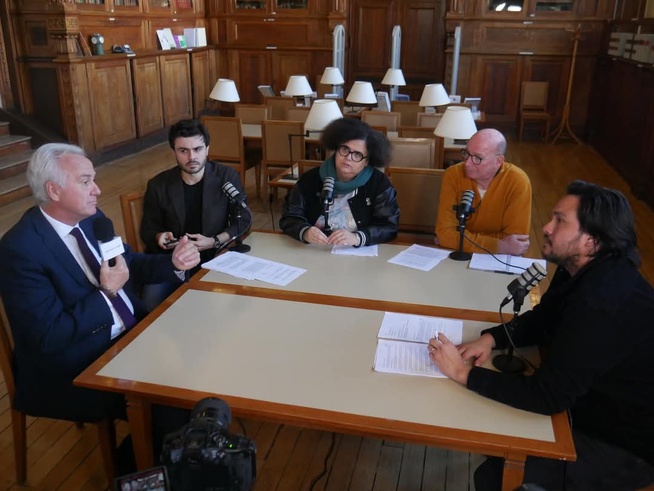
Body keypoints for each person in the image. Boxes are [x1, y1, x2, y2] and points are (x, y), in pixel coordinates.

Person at [428, 180, 654, 490]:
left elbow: (548, 396)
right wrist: (492, 338)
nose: (546, 227)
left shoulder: (602, 303)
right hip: (586, 403)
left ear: (592, 241)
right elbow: (544, 318)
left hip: (622, 443)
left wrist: (461, 372)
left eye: (560, 221)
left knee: (494, 477)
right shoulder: (581, 268)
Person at [0, 143, 200, 456]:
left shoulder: (92, 219)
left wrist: (173, 263)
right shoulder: (20, 250)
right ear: (53, 190)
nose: (97, 189)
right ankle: (139, 469)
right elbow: (48, 337)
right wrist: (106, 293)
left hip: (128, 336)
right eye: (85, 181)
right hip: (76, 364)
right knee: (173, 405)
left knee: (201, 358)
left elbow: (126, 263)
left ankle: (165, 452)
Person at [140, 119, 251, 309]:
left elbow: (244, 219)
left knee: (237, 305)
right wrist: (160, 236)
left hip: (214, 256)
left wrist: (214, 240)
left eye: (198, 149)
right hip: (172, 260)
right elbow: (148, 228)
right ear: (173, 152)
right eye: (183, 151)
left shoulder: (226, 177)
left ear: (207, 148)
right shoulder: (158, 185)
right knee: (148, 306)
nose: (192, 157)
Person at [280, 117, 399, 247]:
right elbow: (289, 216)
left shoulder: (379, 183)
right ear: (336, 150)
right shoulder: (310, 178)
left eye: (357, 155)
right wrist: (305, 231)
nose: (348, 158)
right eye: (345, 149)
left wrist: (358, 238)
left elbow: (389, 226)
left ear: (366, 162)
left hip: (356, 254)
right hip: (314, 250)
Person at [435, 128, 532, 255]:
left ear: (498, 161)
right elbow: (445, 234)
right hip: (457, 255)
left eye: (477, 158)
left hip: (498, 260)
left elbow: (517, 242)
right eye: (467, 153)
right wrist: (500, 245)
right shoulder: (453, 174)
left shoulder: (518, 181)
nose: (467, 163)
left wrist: (460, 237)